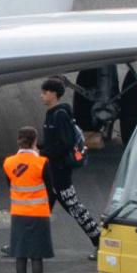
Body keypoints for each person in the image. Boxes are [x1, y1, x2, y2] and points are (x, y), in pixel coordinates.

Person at [38, 77, 101, 258]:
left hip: (59, 173)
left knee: (75, 208)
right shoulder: (52, 114)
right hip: (52, 171)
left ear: (53, 94)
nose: (41, 96)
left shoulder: (59, 115)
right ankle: (28, 244)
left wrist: (43, 153)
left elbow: (64, 143)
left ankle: (100, 241)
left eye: (44, 93)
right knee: (41, 210)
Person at [4, 126, 54, 273]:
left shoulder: (9, 163)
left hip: (18, 213)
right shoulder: (42, 163)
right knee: (37, 256)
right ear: (34, 142)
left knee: (20, 256)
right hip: (39, 214)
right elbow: (50, 187)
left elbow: (10, 184)